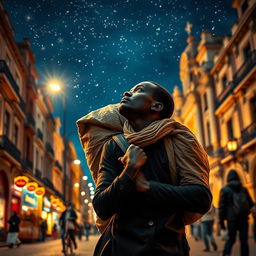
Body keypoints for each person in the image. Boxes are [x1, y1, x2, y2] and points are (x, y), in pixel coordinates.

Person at [90, 81, 212, 256]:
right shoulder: (114, 145)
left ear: (156, 106)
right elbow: (102, 207)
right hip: (121, 248)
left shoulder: (179, 141)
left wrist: (147, 187)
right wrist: (129, 171)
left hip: (168, 249)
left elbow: (201, 198)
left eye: (137, 90)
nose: (126, 93)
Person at [219, 169, 254, 256]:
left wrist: (221, 221)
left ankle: (226, 254)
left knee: (231, 239)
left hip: (231, 219)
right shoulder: (243, 189)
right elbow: (251, 204)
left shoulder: (225, 190)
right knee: (244, 241)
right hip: (243, 218)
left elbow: (222, 208)